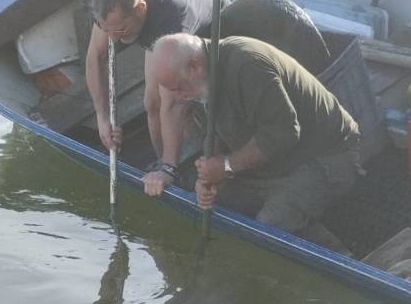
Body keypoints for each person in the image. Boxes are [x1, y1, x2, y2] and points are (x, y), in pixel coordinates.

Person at [151, 33, 360, 245]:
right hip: (274, 161)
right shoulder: (204, 79)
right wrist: (208, 175)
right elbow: (215, 133)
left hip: (325, 156)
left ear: (194, 67)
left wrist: (226, 166)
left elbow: (283, 132)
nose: (178, 96)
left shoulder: (248, 66)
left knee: (271, 224)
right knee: (210, 201)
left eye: (178, 87)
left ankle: (342, 256)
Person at [86, 0, 230, 195]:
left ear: (140, 9)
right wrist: (102, 117)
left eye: (120, 30)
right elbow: (97, 55)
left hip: (211, 18)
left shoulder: (172, 18)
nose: (113, 38)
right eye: (107, 30)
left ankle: (172, 166)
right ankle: (162, 158)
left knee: (169, 100)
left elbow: (172, 104)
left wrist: (168, 169)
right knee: (150, 103)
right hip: (157, 19)